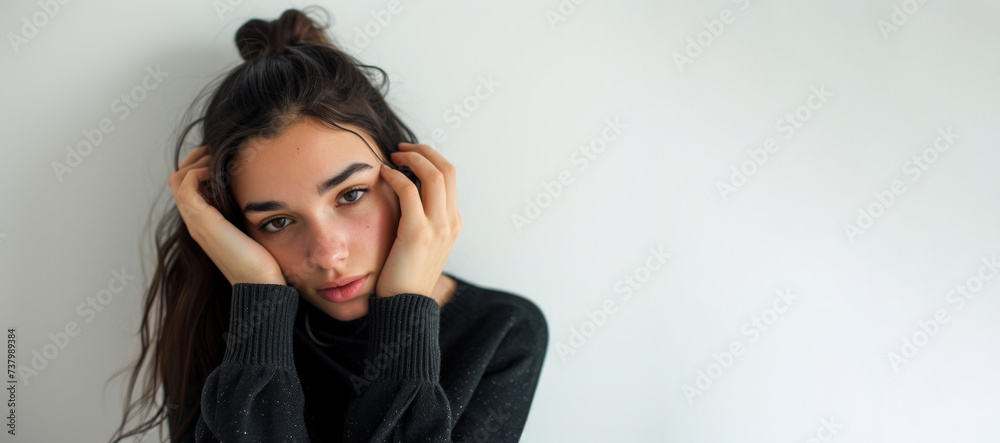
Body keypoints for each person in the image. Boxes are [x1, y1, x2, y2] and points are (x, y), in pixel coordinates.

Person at [107, 7, 548, 443]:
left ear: (408, 178)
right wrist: (259, 308)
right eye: (278, 221)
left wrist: (405, 310)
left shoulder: (501, 333)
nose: (327, 255)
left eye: (351, 195)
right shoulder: (220, 327)